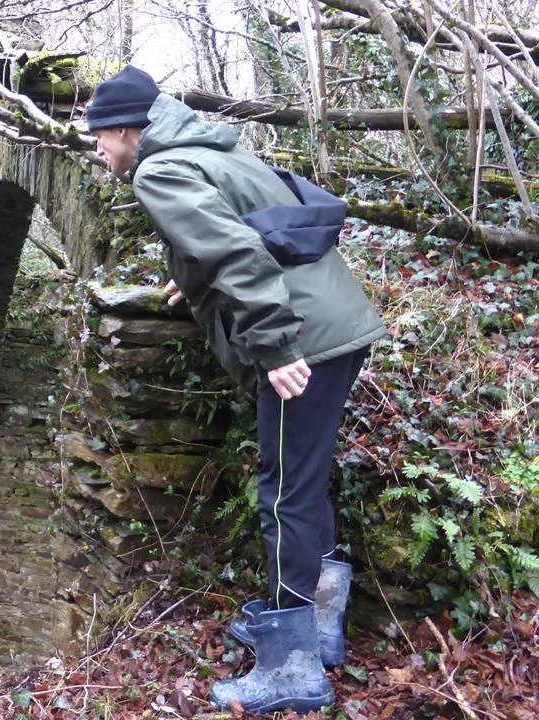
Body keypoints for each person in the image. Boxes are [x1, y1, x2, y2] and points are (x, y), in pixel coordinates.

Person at [84, 65, 387, 714]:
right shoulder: (209, 148)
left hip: (302, 338)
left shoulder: (157, 171)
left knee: (284, 494)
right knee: (303, 481)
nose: (97, 151)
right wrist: (188, 278)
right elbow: (253, 227)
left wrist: (275, 347)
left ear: (123, 131)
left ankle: (293, 665)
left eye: (98, 139)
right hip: (337, 321)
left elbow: (238, 256)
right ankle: (319, 623)